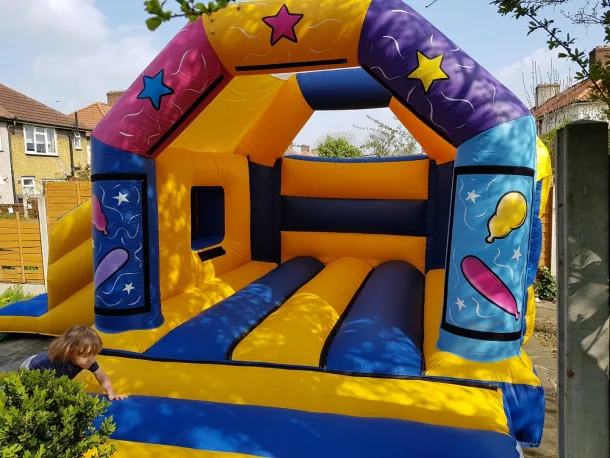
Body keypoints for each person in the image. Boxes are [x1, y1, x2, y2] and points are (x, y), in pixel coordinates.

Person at [20, 325, 127, 401]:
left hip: (47, 369)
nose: (91, 359)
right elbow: (54, 387)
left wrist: (111, 392)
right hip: (31, 367)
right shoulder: (58, 363)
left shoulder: (89, 360)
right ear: (70, 353)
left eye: (95, 354)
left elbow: (102, 376)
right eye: (84, 356)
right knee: (35, 395)